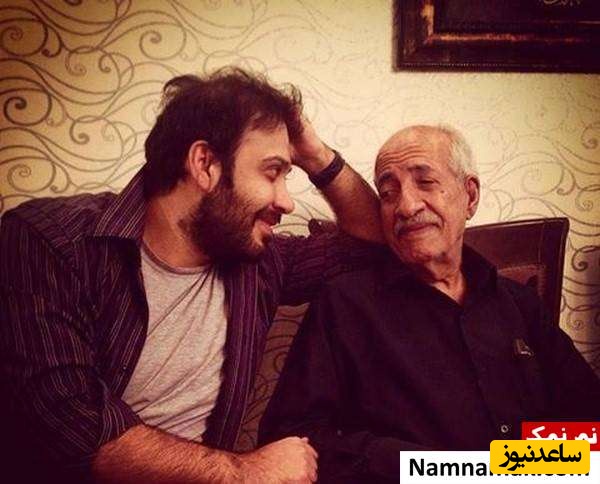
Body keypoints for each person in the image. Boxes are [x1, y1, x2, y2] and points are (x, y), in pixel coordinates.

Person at [0, 67, 383, 483]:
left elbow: (371, 243)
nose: (287, 202)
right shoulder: (50, 240)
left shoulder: (260, 262)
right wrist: (244, 471)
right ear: (205, 164)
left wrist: (316, 156)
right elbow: (69, 428)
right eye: (272, 173)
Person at [258, 125, 600, 484]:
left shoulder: (520, 304)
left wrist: (503, 467)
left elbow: (588, 427)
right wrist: (427, 467)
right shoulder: (346, 303)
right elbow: (291, 441)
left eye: (425, 182)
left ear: (470, 196)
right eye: (387, 193)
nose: (406, 206)